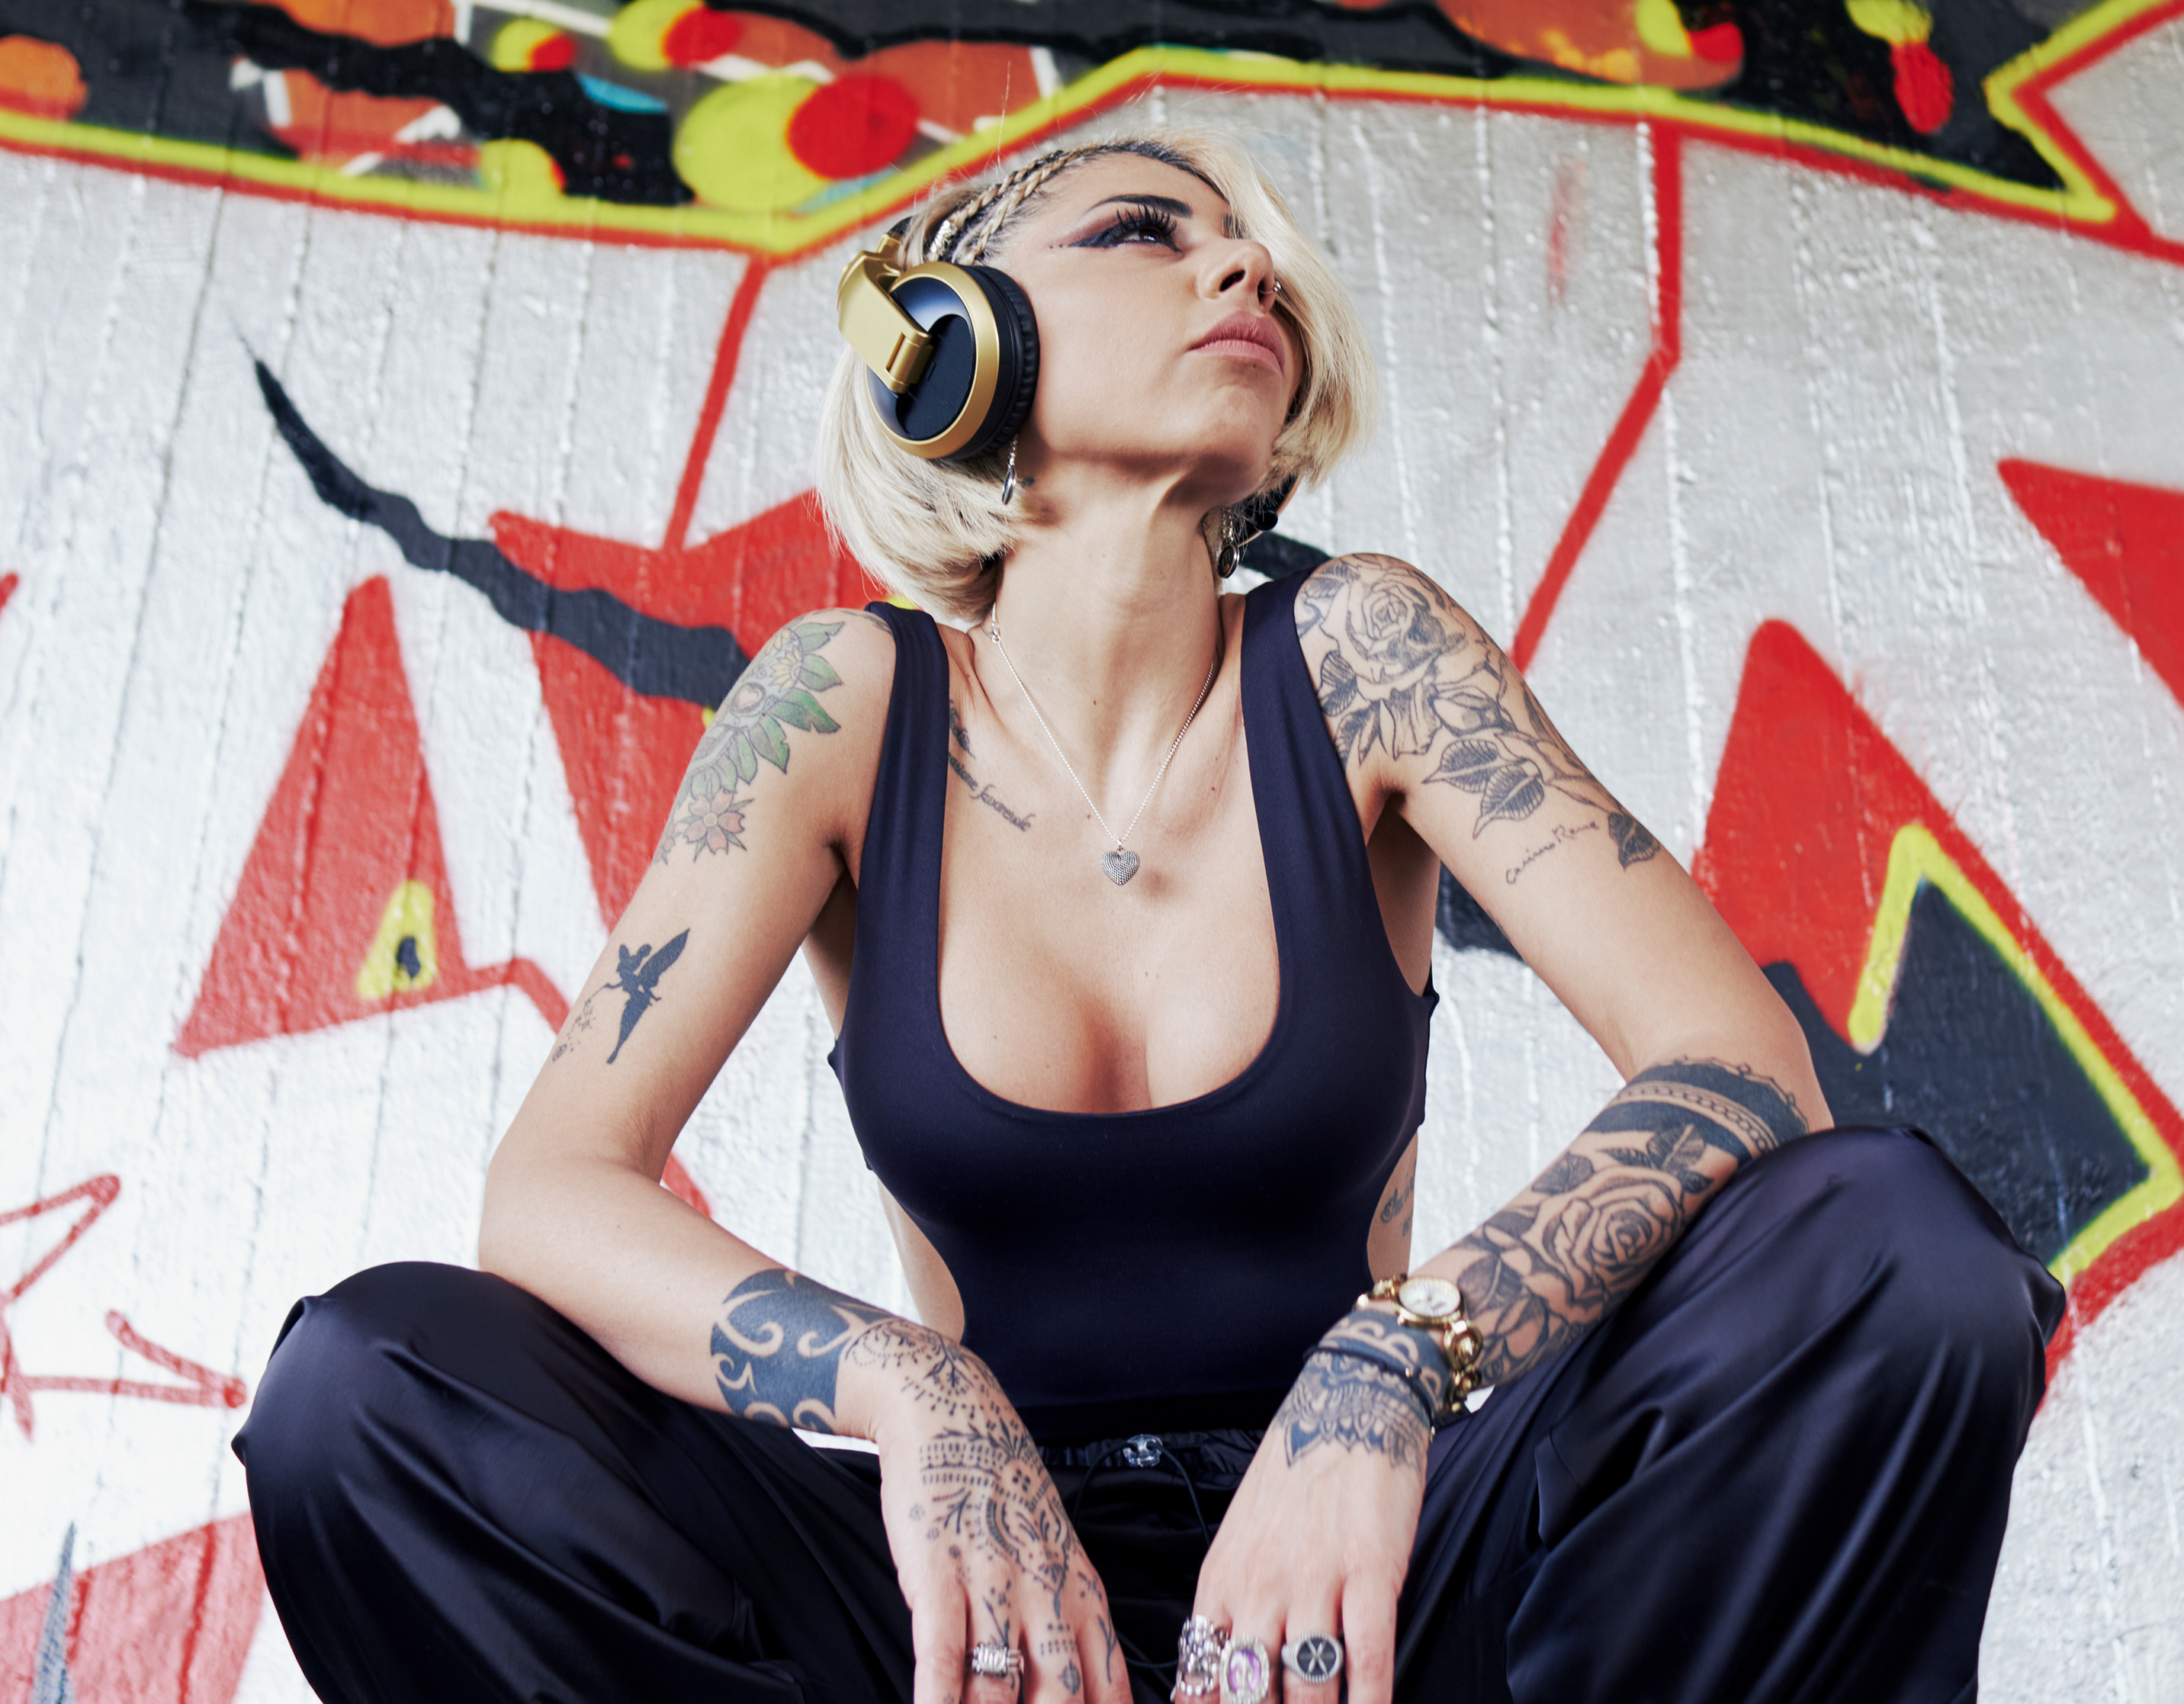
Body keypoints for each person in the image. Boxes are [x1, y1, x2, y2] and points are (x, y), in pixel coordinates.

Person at [235, 129, 2066, 1704]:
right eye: (1142, 230)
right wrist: (913, 1393)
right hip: (977, 1621)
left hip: (1381, 1579)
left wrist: (1391, 1370)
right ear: (949, 347)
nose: (1244, 263)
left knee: (1891, 1251)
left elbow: (1739, 1064)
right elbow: (551, 1190)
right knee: (366, 1391)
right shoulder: (838, 706)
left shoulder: (1364, 652)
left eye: (1254, 244)